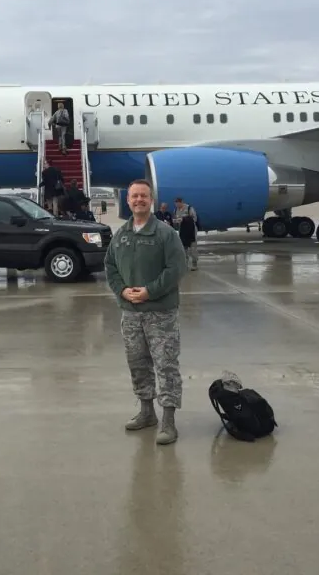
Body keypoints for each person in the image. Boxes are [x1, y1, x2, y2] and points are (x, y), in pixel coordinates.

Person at [104, 179, 189, 445]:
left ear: (151, 200)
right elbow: (110, 266)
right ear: (127, 201)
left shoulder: (165, 234)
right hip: (130, 313)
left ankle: (169, 420)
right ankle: (146, 412)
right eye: (134, 196)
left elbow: (176, 269)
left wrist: (149, 291)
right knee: (138, 364)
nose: (139, 200)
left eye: (143, 196)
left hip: (160, 312)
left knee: (166, 365)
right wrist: (121, 290)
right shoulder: (122, 234)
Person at [173, 197, 198, 270]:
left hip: (191, 230)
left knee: (193, 247)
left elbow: (194, 218)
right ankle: (185, 264)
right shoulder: (175, 210)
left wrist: (184, 219)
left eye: (178, 203)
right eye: (176, 204)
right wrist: (175, 221)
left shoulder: (189, 208)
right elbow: (175, 219)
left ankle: (194, 264)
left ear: (182, 202)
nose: (177, 205)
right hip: (182, 231)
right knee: (184, 248)